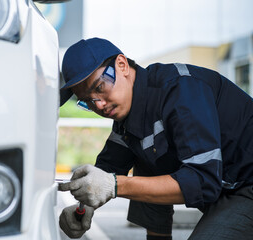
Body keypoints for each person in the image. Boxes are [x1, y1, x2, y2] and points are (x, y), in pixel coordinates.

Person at [58, 37, 253, 240]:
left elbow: (203, 181)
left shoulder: (180, 90)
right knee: (145, 157)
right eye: (88, 101)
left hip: (247, 186)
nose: (98, 105)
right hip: (226, 188)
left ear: (122, 65)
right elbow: (109, 167)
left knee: (138, 170)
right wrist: (85, 206)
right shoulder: (128, 117)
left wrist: (114, 186)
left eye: (99, 88)